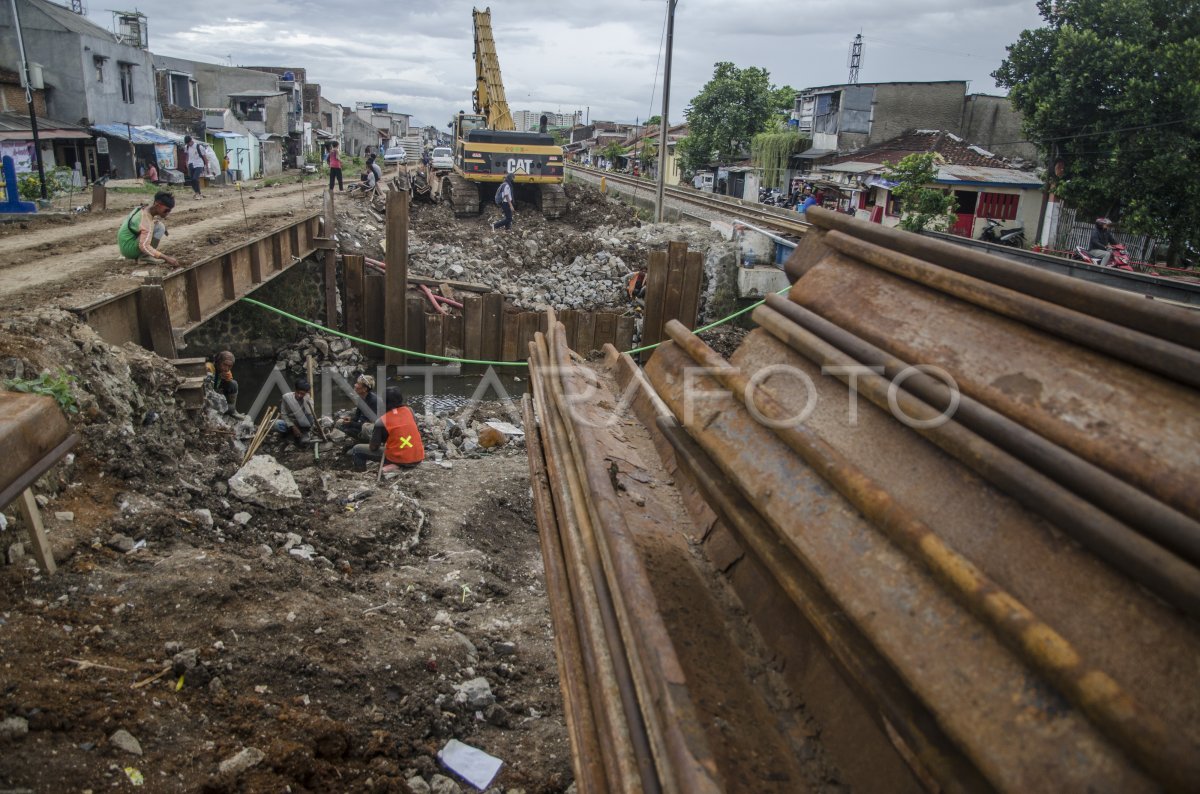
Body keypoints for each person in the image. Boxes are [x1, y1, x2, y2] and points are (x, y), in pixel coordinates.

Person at [351, 387, 425, 471]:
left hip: (400, 458)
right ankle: (399, 464)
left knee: (357, 449)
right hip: (418, 457)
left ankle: (360, 475)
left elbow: (373, 447)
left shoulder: (381, 421)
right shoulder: (410, 411)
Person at [117, 191, 179, 267]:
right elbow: (144, 246)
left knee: (158, 225)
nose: (167, 213)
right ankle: (144, 257)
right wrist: (166, 258)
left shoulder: (142, 209)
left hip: (125, 242)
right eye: (166, 210)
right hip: (128, 249)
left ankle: (143, 255)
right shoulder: (146, 220)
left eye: (170, 210)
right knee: (160, 228)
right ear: (157, 205)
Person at [275, 377, 318, 446]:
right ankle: (290, 434)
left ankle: (304, 433)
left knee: (309, 418)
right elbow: (283, 414)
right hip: (291, 421)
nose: (299, 395)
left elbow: (310, 413)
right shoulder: (286, 397)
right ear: (295, 390)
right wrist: (293, 427)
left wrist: (307, 399)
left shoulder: (308, 399)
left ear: (306, 393)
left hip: (301, 421)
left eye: (302, 394)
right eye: (298, 392)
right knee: (277, 424)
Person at [337, 374, 379, 440]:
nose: (355, 385)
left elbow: (369, 425)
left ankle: (361, 440)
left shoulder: (374, 401)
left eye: (358, 384)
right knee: (339, 422)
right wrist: (350, 419)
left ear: (364, 389)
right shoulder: (361, 399)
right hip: (359, 425)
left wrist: (351, 423)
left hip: (368, 429)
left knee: (352, 430)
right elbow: (357, 416)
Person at [204, 351, 243, 419]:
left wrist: (225, 379)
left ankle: (232, 411)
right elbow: (207, 391)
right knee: (230, 408)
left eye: (230, 366)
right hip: (208, 398)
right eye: (225, 365)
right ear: (218, 362)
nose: (227, 368)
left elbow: (230, 387)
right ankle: (229, 410)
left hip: (217, 393)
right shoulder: (209, 368)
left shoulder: (226, 371)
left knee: (233, 384)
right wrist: (217, 377)